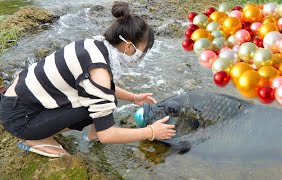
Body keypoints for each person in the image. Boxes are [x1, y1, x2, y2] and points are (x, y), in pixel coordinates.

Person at [0, 1, 176, 158]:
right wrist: (151, 131)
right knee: (98, 108)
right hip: (20, 119)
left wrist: (133, 97)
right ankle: (36, 138)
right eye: (142, 51)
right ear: (129, 46)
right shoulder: (99, 71)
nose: (141, 56)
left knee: (105, 101)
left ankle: (92, 133)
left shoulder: (92, 45)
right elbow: (108, 135)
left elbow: (102, 88)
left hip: (15, 101)